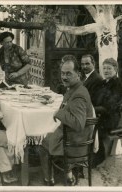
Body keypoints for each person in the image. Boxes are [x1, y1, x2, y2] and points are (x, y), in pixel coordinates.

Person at [39, 55, 94, 186]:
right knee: (50, 134)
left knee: (42, 142)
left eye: (68, 73)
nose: (64, 77)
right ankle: (68, 174)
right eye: (62, 73)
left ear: (78, 74)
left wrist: (59, 112)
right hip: (76, 140)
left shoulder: (79, 94)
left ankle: (49, 179)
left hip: (75, 145)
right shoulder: (74, 89)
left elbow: (78, 123)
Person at [93, 58, 122, 167]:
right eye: (104, 68)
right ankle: (89, 153)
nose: (106, 71)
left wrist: (93, 109)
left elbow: (110, 106)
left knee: (92, 125)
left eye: (109, 68)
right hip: (102, 115)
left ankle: (99, 157)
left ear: (115, 69)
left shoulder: (116, 84)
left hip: (110, 118)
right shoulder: (104, 82)